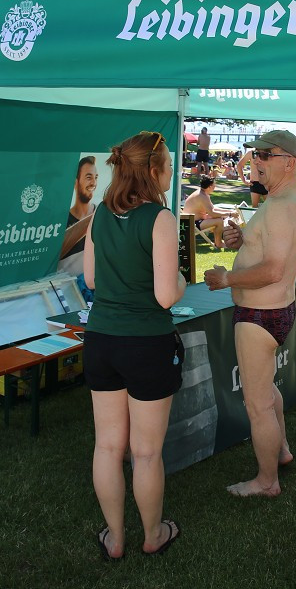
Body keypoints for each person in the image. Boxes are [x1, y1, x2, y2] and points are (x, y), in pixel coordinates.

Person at [82, 130, 187, 560]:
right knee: (145, 453)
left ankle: (115, 537)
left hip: (102, 340)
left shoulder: (100, 215)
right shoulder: (160, 220)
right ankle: (152, 534)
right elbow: (166, 295)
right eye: (168, 167)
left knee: (107, 446)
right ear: (154, 171)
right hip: (146, 343)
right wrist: (181, 279)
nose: (171, 174)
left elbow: (90, 281)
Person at [204, 130, 296, 497]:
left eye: (266, 154)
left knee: (257, 403)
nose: (257, 161)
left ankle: (267, 482)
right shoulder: (285, 200)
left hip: (260, 313)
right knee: (267, 391)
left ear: (290, 163)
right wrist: (244, 238)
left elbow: (274, 269)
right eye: (256, 154)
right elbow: (268, 247)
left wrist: (226, 277)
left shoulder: (280, 206)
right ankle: (280, 451)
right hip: (273, 311)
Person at [58, 156, 98, 276]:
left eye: (96, 177)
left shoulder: (103, 214)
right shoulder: (61, 220)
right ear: (75, 182)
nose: (94, 183)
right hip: (68, 291)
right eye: (88, 177)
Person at [182, 176, 233, 248]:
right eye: (214, 186)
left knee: (218, 217)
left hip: (193, 221)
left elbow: (213, 208)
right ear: (209, 186)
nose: (215, 187)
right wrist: (229, 214)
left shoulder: (202, 193)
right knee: (218, 221)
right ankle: (219, 243)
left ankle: (219, 241)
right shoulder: (202, 196)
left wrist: (229, 211)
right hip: (192, 224)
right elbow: (212, 213)